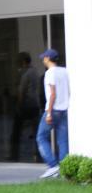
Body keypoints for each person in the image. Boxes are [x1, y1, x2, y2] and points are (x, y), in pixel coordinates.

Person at [36, 49, 70, 178]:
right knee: (63, 141)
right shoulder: (64, 71)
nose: (43, 60)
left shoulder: (50, 73)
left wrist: (49, 112)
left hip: (53, 109)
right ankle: (65, 169)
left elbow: (53, 94)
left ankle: (52, 165)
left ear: (48, 59)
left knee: (41, 137)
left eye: (44, 58)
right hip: (64, 110)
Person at [9, 52, 41, 161]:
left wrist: (18, 107)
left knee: (16, 131)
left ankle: (14, 155)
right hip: (35, 105)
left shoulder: (26, 74)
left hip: (26, 105)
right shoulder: (35, 72)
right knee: (36, 131)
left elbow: (21, 92)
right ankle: (39, 154)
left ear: (23, 62)